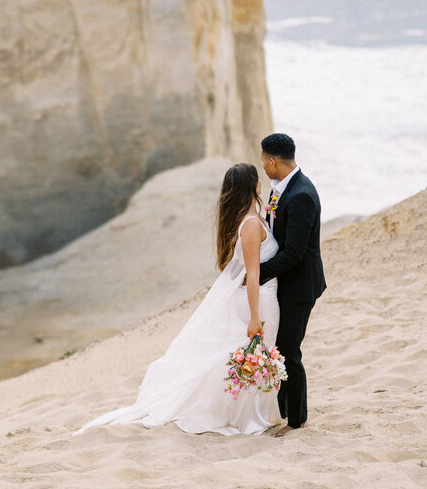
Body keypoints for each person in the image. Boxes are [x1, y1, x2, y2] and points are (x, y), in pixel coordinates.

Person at [74, 162, 282, 436]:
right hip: (260, 299)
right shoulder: (252, 224)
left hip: (253, 297)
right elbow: (253, 273)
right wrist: (255, 316)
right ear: (252, 186)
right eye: (257, 179)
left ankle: (246, 413)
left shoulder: (247, 219)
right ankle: (249, 418)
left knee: (247, 356)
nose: (261, 182)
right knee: (256, 353)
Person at [258, 132, 325, 437]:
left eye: (263, 161)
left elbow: (294, 253)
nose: (262, 166)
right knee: (282, 349)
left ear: (272, 161)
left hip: (299, 287)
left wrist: (259, 273)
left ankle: (297, 421)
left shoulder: (300, 195)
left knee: (289, 351)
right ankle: (283, 411)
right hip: (285, 283)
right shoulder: (283, 188)